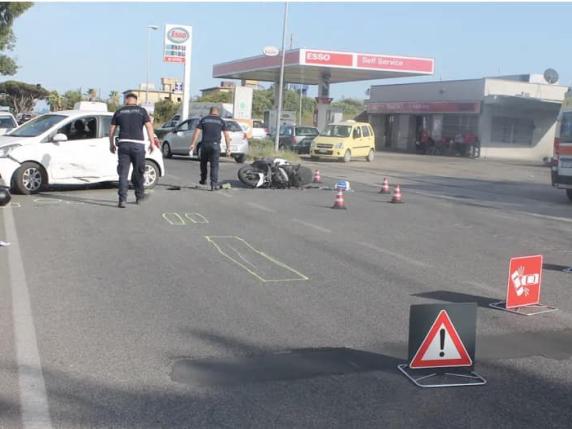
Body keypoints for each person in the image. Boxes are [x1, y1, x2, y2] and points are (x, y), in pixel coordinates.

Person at [108, 93, 159, 208]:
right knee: (139, 172)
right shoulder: (141, 111)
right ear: (136, 101)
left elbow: (111, 129)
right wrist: (152, 142)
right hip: (138, 145)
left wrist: (111, 143)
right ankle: (139, 197)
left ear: (126, 100)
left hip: (124, 145)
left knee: (123, 174)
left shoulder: (119, 111)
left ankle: (122, 200)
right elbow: (149, 126)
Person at [189, 107, 231, 190]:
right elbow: (226, 135)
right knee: (214, 165)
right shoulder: (221, 121)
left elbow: (197, 132)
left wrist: (193, 144)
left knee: (203, 163)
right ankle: (213, 184)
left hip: (204, 145)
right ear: (218, 113)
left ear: (210, 112)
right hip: (215, 145)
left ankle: (203, 179)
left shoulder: (204, 120)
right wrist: (228, 148)